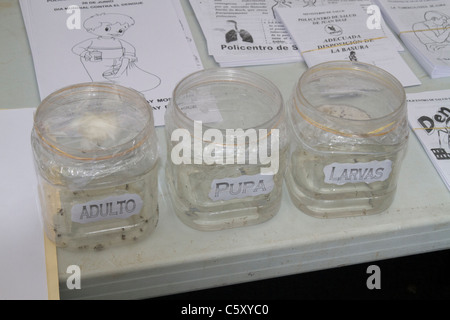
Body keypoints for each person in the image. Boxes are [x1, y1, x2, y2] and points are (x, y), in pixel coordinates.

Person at [72, 13, 160, 92]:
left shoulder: (120, 43)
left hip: (116, 67)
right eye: (107, 28)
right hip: (97, 66)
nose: (115, 32)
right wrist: (86, 54)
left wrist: (122, 67)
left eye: (120, 30)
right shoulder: (92, 41)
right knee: (101, 84)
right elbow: (77, 48)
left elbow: (129, 51)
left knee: (118, 84)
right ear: (92, 28)